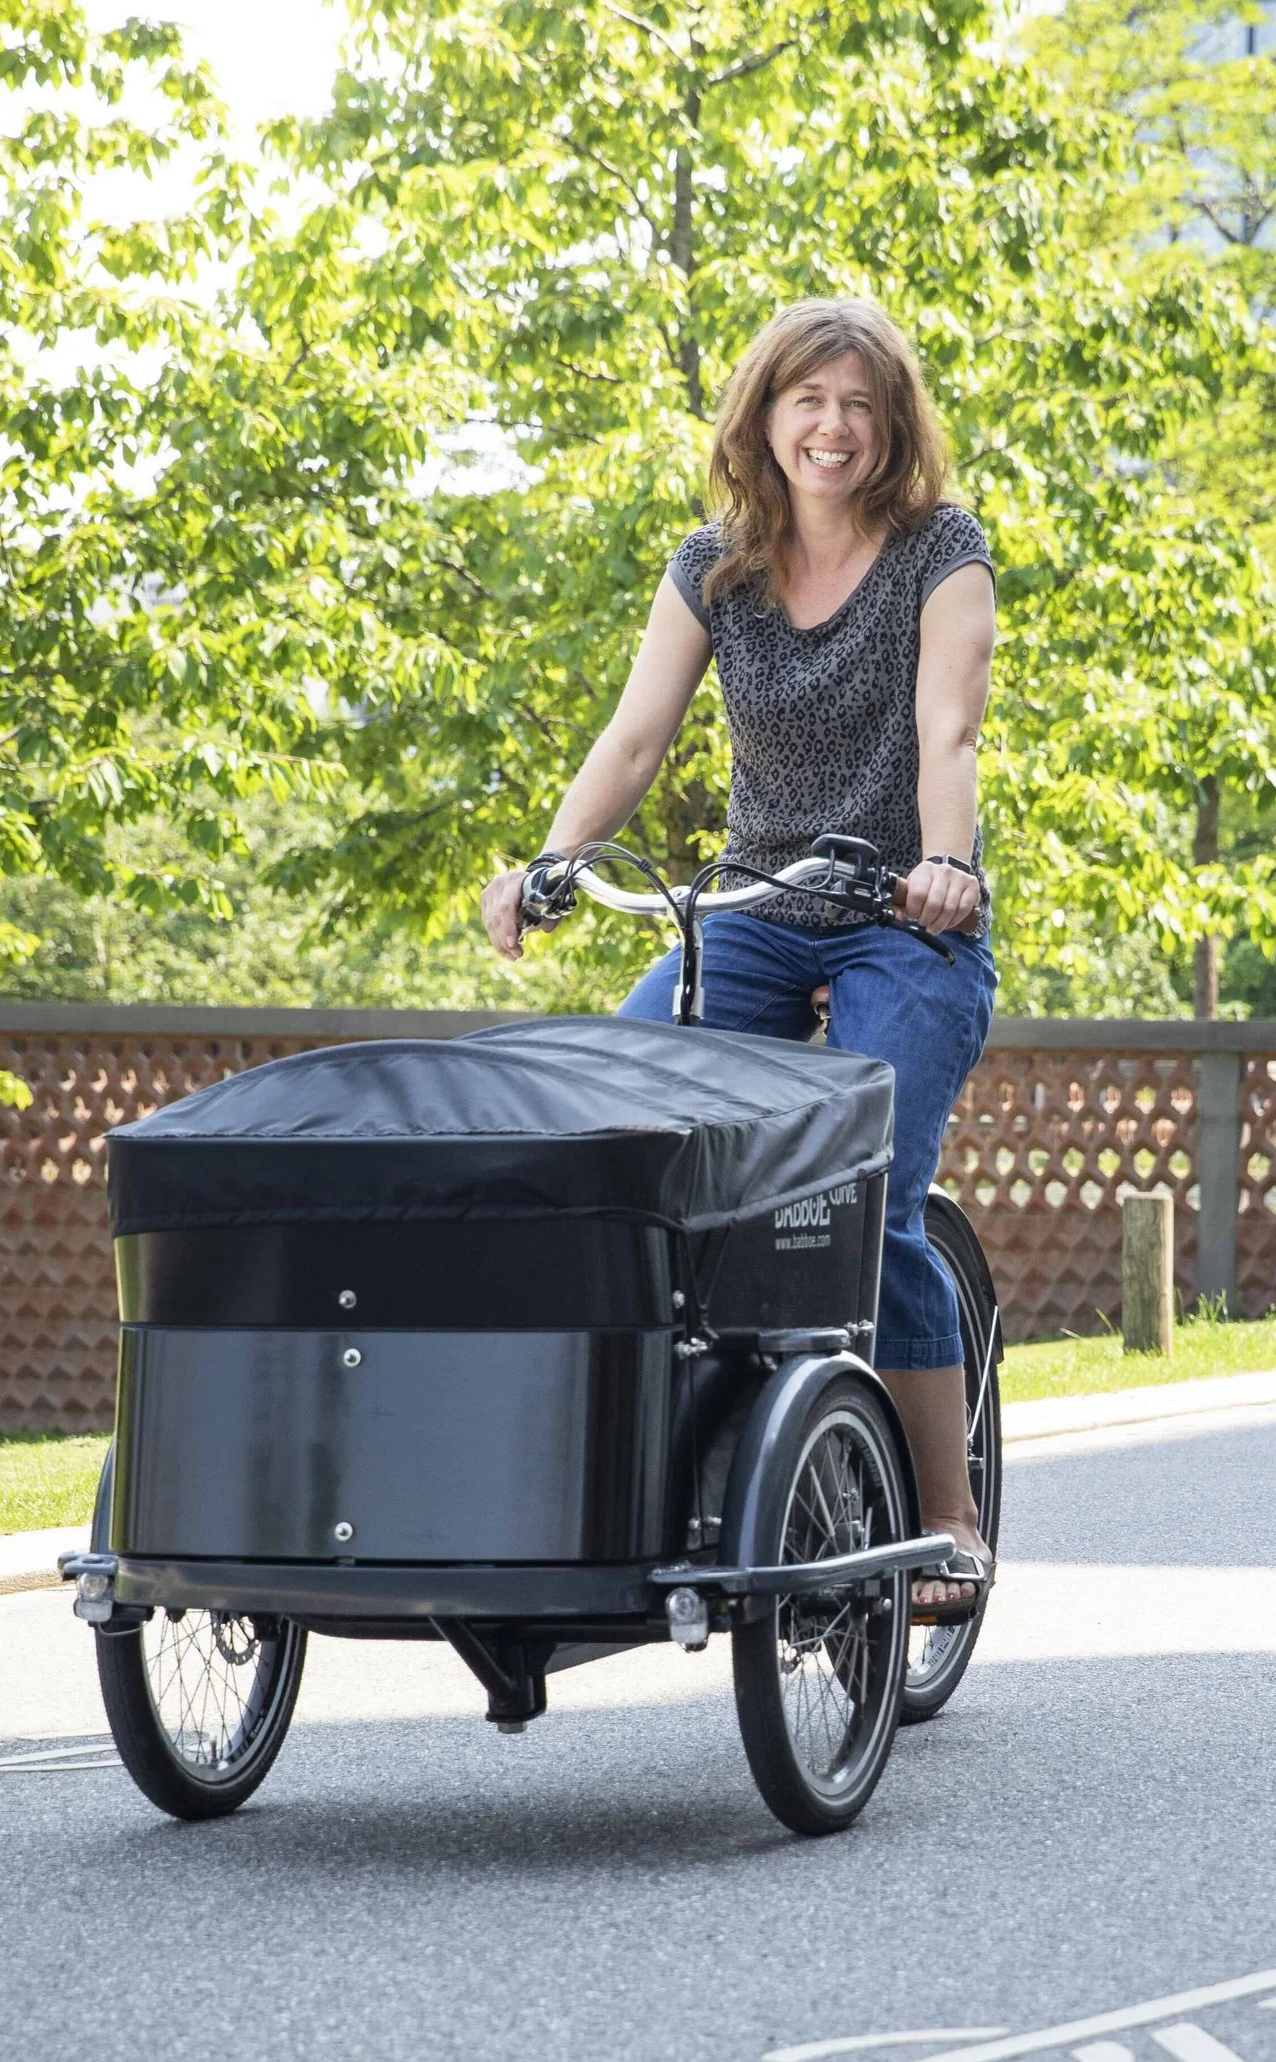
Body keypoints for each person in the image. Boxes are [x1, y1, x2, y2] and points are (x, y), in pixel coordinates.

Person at [478, 298, 999, 1618]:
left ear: (892, 426)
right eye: (808, 400)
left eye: (860, 404)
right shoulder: (714, 566)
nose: (834, 427)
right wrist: (551, 862)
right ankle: (646, 1457)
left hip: (904, 913)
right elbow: (633, 739)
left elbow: (948, 732)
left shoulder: (942, 552)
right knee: (623, 1122)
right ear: (762, 417)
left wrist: (946, 865)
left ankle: (947, 1518)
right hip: (760, 906)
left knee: (873, 1194)